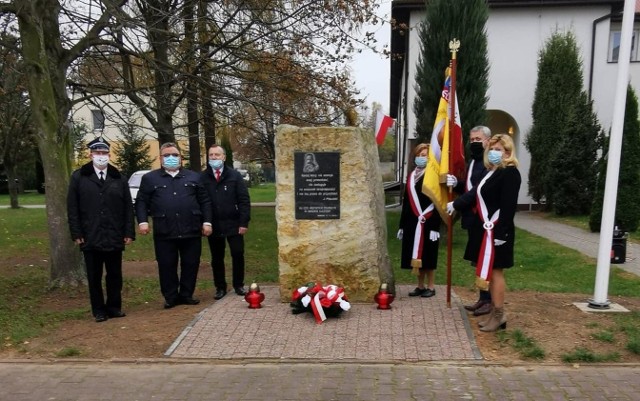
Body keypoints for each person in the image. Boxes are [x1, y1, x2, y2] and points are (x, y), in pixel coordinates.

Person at [447, 134, 521, 332]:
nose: (495, 153)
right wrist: (456, 203)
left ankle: (499, 314)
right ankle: (494, 313)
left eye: (500, 150)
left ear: (508, 152)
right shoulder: (492, 171)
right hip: (486, 230)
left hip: (497, 232)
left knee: (496, 273)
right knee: (490, 272)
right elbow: (474, 194)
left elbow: (508, 207)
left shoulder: (510, 173)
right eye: (493, 149)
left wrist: (501, 234)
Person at [135, 142, 213, 309]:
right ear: (160, 158)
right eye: (167, 155)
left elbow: (204, 201)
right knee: (166, 265)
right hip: (165, 230)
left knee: (190, 263)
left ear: (181, 158)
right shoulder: (150, 178)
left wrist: (207, 222)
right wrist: (142, 221)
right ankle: (170, 296)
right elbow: (141, 202)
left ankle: (186, 294)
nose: (171, 158)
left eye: (175, 155)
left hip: (191, 228)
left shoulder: (194, 177)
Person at [67, 137, 135, 322]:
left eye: (104, 153)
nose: (101, 156)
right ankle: (98, 310)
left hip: (114, 234)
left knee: (114, 275)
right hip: (90, 235)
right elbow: (72, 207)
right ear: (90, 155)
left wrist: (129, 232)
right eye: (97, 153)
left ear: (109, 155)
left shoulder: (118, 177)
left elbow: (128, 207)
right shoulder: (79, 177)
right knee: (94, 276)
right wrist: (77, 233)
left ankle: (114, 307)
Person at [447, 126, 493, 317]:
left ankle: (489, 300)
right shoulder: (473, 161)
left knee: (485, 258)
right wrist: (456, 183)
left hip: (484, 219)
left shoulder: (489, 162)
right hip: (473, 219)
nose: (474, 142)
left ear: (488, 141)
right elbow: (469, 185)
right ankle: (483, 298)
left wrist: (456, 204)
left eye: (478, 139)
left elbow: (477, 191)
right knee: (477, 259)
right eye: (472, 139)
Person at [201, 144, 251, 300]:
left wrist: (244, 222)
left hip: (234, 223)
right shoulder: (203, 177)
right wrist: (205, 222)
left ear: (224, 157)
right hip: (213, 224)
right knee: (217, 257)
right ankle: (220, 287)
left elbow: (243, 200)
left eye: (217, 155)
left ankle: (238, 285)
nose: (214, 158)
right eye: (211, 155)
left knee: (237, 253)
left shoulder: (234, 176)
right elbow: (201, 201)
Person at [397, 143, 442, 298]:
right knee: (416, 255)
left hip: (428, 221)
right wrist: (402, 225)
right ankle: (420, 286)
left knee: (429, 254)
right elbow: (407, 202)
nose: (422, 158)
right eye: (420, 155)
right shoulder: (411, 176)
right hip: (412, 221)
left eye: (425, 156)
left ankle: (431, 286)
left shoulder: (432, 176)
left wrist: (436, 226)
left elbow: (437, 202)